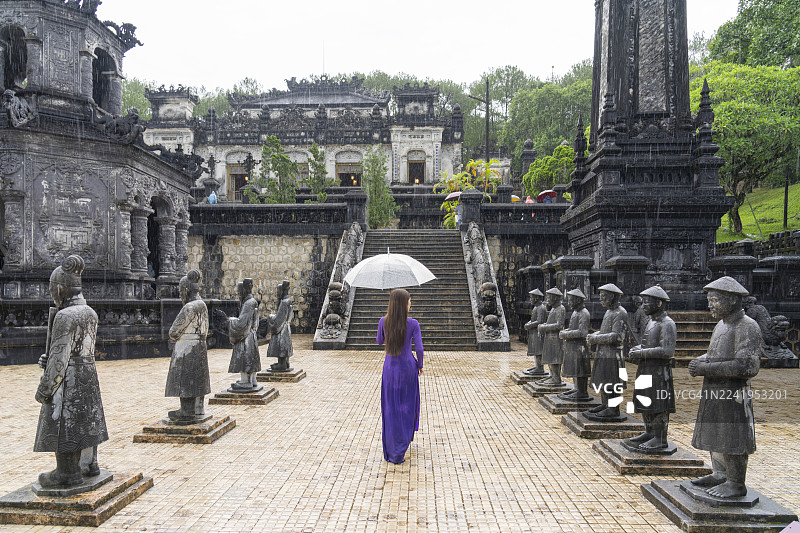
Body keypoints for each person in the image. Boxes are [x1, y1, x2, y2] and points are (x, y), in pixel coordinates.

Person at [34, 255, 108, 488]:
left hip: (69, 379)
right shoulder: (89, 312)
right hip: (87, 374)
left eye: (52, 288)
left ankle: (67, 473)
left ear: (60, 288)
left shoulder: (65, 316)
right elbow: (79, 348)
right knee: (86, 419)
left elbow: (59, 360)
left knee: (66, 422)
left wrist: (44, 390)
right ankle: (88, 464)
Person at [689, 276, 760, 499]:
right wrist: (702, 360)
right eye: (710, 300)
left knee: (732, 435)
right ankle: (720, 474)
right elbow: (715, 354)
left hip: (733, 393)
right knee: (716, 431)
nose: (710, 305)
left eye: (715, 300)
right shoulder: (721, 325)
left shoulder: (747, 326)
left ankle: (736, 482)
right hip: (714, 389)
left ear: (732, 301)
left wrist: (706, 368)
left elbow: (747, 365)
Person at [625, 285, 676, 452]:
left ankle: (660, 438)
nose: (643, 306)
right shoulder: (651, 321)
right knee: (645, 401)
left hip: (659, 372)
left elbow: (667, 351)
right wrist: (639, 348)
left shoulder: (667, 324)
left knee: (658, 404)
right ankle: (649, 432)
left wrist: (642, 352)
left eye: (647, 302)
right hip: (646, 367)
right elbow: (648, 344)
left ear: (660, 303)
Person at [376, 289, 424, 464]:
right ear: (404, 303)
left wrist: (384, 329)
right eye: (409, 301)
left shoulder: (384, 321)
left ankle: (393, 447)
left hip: (390, 369)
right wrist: (420, 364)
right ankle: (402, 441)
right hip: (408, 368)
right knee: (407, 406)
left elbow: (379, 341)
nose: (411, 303)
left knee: (390, 408)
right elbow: (419, 348)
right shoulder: (413, 323)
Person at [165, 269, 211, 423]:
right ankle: (198, 408)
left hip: (187, 349)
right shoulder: (202, 304)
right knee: (198, 377)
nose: (180, 294)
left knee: (185, 379)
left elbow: (173, 331)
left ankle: (186, 411)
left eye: (180, 291)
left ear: (185, 290)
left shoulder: (189, 307)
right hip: (200, 346)